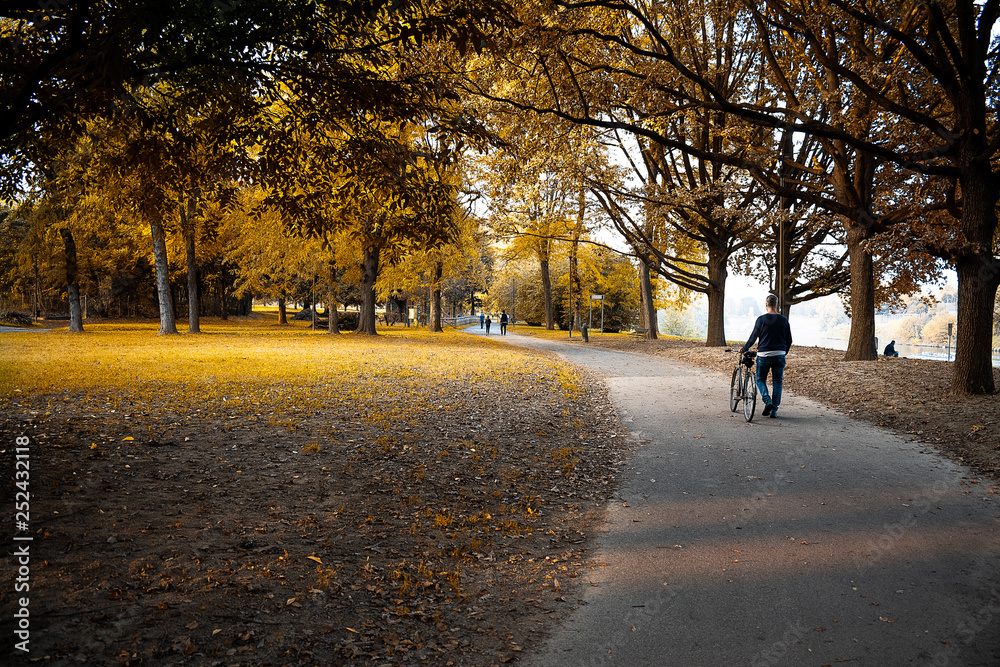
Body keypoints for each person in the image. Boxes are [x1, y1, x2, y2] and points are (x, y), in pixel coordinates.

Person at [740, 294, 792, 418]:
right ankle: (774, 409)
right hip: (779, 354)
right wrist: (784, 352)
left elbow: (753, 337)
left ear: (766, 305)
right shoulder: (784, 320)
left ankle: (767, 400)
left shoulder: (761, 319)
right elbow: (789, 340)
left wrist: (744, 348)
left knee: (760, 379)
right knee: (777, 382)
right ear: (776, 304)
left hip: (763, 355)